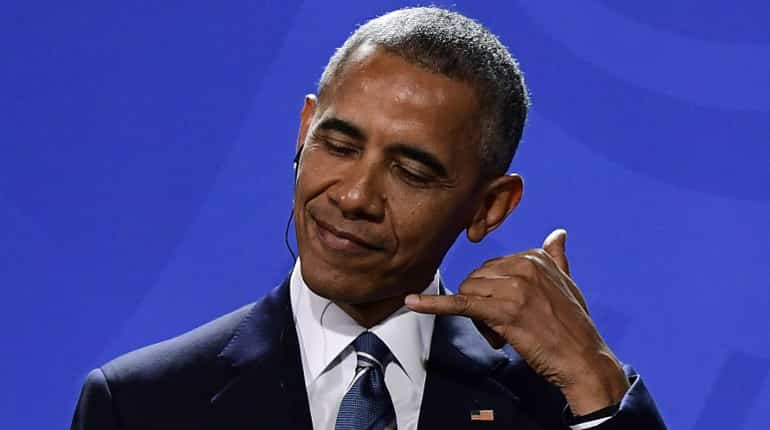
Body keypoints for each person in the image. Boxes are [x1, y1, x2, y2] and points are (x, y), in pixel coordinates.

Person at [71, 7, 666, 430]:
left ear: (489, 207)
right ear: (304, 131)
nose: (354, 196)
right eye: (339, 144)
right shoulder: (142, 405)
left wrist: (596, 383)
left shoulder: (562, 408)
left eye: (411, 171)